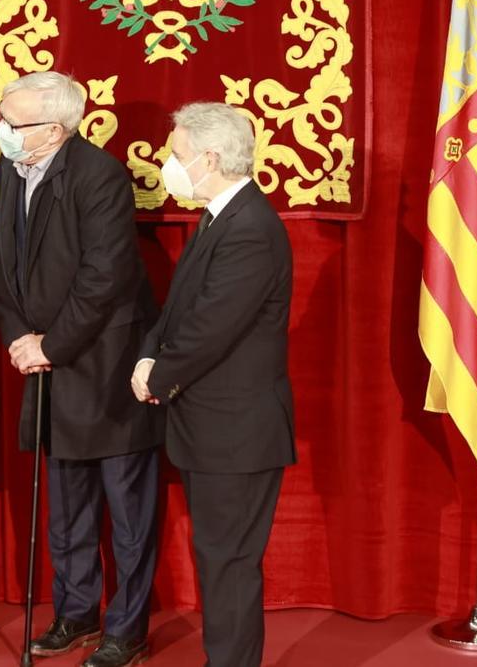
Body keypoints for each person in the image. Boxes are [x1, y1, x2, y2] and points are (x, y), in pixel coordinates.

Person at [0, 71, 160, 667]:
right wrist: (18, 338)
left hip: (102, 361)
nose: (2, 132)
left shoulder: (98, 175)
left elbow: (105, 276)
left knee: (126, 507)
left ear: (53, 128)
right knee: (66, 501)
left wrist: (49, 344)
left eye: (13, 122)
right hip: (44, 358)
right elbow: (0, 265)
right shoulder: (11, 169)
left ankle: (128, 627)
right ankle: (77, 611)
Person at [132, 102, 295, 667]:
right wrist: (148, 356)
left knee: (227, 562)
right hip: (212, 427)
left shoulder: (250, 227)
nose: (167, 166)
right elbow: (179, 310)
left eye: (175, 155)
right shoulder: (218, 217)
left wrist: (160, 377)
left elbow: (211, 328)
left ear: (209, 157)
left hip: (237, 433)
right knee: (217, 557)